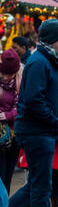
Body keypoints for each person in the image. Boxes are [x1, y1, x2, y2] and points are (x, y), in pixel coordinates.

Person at [9, 19, 58, 207]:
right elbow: (34, 99)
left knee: (39, 184)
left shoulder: (47, 59)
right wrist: (53, 121)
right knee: (41, 187)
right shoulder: (40, 62)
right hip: (37, 131)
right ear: (53, 39)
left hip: (41, 130)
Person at [0, 49, 23, 196]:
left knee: (8, 175)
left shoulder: (22, 80)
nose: (7, 78)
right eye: (4, 74)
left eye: (10, 75)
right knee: (1, 175)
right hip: (0, 136)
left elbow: (25, 106)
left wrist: (8, 115)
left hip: (15, 134)